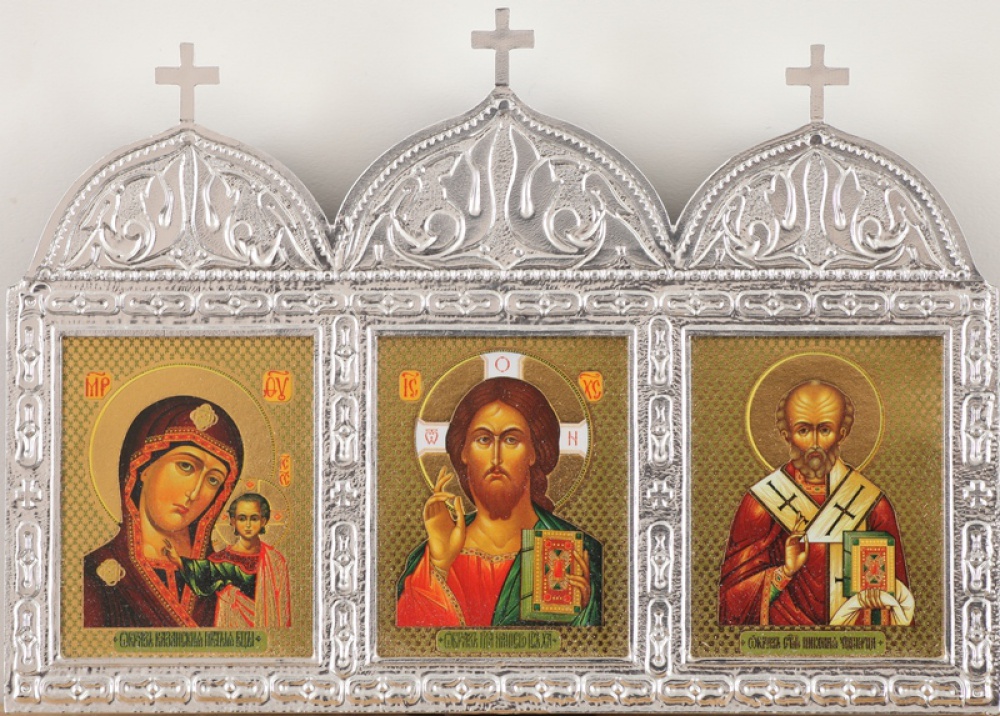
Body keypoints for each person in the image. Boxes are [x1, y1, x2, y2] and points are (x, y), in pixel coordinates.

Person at [397, 377, 602, 627]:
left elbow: (594, 641)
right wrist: (439, 566)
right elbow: (413, 640)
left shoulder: (575, 550)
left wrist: (584, 611)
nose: (496, 457)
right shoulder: (432, 556)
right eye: (483, 439)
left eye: (511, 440)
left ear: (534, 452)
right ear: (463, 451)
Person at [719, 380, 914, 626]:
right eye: (803, 430)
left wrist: (879, 598)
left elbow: (898, 605)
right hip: (783, 640)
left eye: (824, 430)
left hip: (853, 641)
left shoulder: (872, 505)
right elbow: (731, 602)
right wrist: (785, 572)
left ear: (842, 434)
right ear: (786, 435)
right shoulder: (760, 504)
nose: (814, 443)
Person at [83, 396, 243, 627]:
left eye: (213, 480)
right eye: (186, 466)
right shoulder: (94, 574)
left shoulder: (224, 581)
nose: (195, 493)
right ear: (144, 467)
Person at [163, 492, 292, 628]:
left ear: (263, 521)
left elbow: (282, 610)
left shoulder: (275, 561)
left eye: (254, 518)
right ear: (233, 521)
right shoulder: (221, 560)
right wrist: (177, 560)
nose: (248, 524)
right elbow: (201, 572)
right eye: (242, 518)